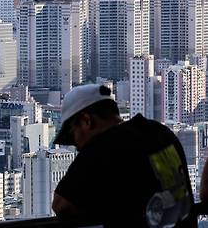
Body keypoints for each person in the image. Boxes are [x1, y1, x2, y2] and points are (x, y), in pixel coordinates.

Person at [52, 84, 195, 227]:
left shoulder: (102, 148)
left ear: (87, 120)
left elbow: (61, 205)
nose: (76, 145)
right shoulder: (160, 132)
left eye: (72, 134)